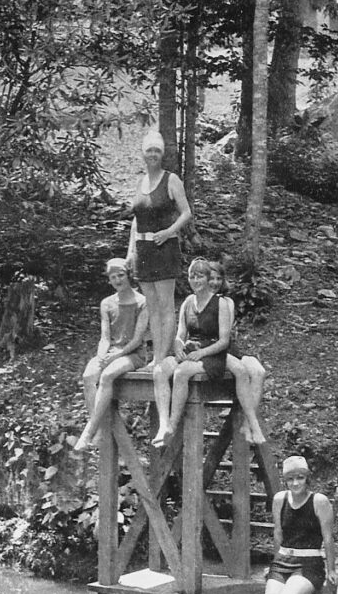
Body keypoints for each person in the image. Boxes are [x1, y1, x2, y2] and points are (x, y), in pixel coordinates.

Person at [152, 258, 267, 448]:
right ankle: (163, 424)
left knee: (182, 373)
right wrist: (178, 346)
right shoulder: (188, 302)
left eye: (200, 277)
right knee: (159, 371)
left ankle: (172, 426)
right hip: (191, 349)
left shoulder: (221, 303)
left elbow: (224, 341)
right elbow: (180, 334)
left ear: (206, 279)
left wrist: (201, 353)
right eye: (192, 277)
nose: (196, 281)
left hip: (212, 354)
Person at [126, 130, 192, 367]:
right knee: (151, 305)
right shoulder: (139, 182)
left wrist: (169, 231)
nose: (153, 154)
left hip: (164, 247)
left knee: (165, 304)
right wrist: (130, 251)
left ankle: (164, 357)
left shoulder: (171, 180)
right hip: (143, 250)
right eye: (149, 150)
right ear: (143, 154)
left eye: (157, 150)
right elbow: (136, 220)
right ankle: (156, 357)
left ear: (162, 154)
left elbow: (186, 213)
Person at [262, 455, 337, 594]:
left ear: (307, 478)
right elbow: (278, 533)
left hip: (309, 564)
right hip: (282, 561)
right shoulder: (279, 499)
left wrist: (332, 570)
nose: (295, 483)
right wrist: (273, 563)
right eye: (290, 479)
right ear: (285, 481)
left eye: (300, 478)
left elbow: (328, 538)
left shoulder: (319, 501)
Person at [75, 258, 149, 451]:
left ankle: (88, 432)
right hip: (111, 352)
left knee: (107, 376)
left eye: (121, 275)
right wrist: (102, 356)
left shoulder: (142, 302)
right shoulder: (106, 303)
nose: (117, 280)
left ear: (128, 275)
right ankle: (98, 429)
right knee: (89, 375)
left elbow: (137, 339)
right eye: (113, 277)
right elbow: (105, 337)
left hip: (133, 354)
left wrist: (116, 357)